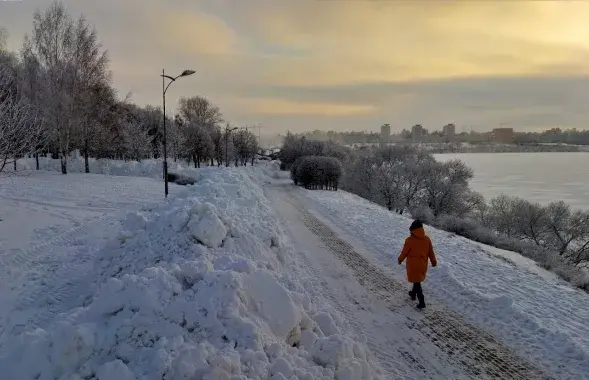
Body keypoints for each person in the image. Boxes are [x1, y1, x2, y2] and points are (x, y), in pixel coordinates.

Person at [398, 220, 437, 309]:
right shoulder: (427, 239)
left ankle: (422, 302)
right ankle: (413, 294)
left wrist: (400, 259)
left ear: (413, 229)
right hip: (422, 265)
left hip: (413, 265)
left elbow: (404, 252)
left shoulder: (410, 240)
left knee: (417, 283)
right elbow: (431, 252)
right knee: (417, 280)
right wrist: (434, 261)